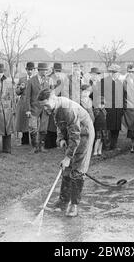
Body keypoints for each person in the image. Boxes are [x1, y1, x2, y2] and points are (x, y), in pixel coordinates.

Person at [38, 88, 95, 217]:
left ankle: (74, 205)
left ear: (53, 98)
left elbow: (76, 135)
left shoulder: (67, 109)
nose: (45, 109)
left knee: (78, 170)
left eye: (46, 105)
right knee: (67, 169)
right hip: (73, 134)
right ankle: (63, 201)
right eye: (43, 107)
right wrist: (61, 138)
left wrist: (68, 157)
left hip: (84, 134)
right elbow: (60, 125)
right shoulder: (55, 107)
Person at [26, 62, 53, 153]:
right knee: (33, 127)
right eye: (43, 70)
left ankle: (41, 146)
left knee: (43, 128)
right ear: (39, 70)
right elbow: (27, 97)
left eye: (46, 70)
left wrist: (49, 107)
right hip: (34, 108)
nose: (45, 72)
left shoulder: (49, 80)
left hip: (45, 108)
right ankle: (34, 147)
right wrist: (28, 110)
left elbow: (51, 95)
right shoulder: (31, 81)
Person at [100, 64, 124, 151]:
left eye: (116, 72)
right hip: (108, 109)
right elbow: (100, 94)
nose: (114, 74)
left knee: (116, 128)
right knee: (107, 128)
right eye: (112, 72)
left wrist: (122, 109)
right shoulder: (103, 81)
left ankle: (114, 145)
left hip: (118, 109)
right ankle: (106, 146)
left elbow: (122, 96)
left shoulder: (119, 83)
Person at [45, 63, 65, 149]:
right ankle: (49, 143)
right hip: (51, 102)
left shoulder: (62, 79)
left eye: (59, 71)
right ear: (54, 70)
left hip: (59, 103)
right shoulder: (49, 78)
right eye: (56, 71)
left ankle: (58, 141)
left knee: (58, 123)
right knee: (50, 123)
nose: (57, 73)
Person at [15, 62, 35, 146]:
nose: (30, 71)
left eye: (31, 69)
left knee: (32, 122)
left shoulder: (36, 79)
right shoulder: (22, 79)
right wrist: (21, 88)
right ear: (26, 70)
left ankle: (34, 141)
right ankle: (25, 141)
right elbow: (17, 92)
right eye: (28, 69)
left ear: (33, 70)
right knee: (23, 122)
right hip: (23, 103)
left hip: (32, 103)